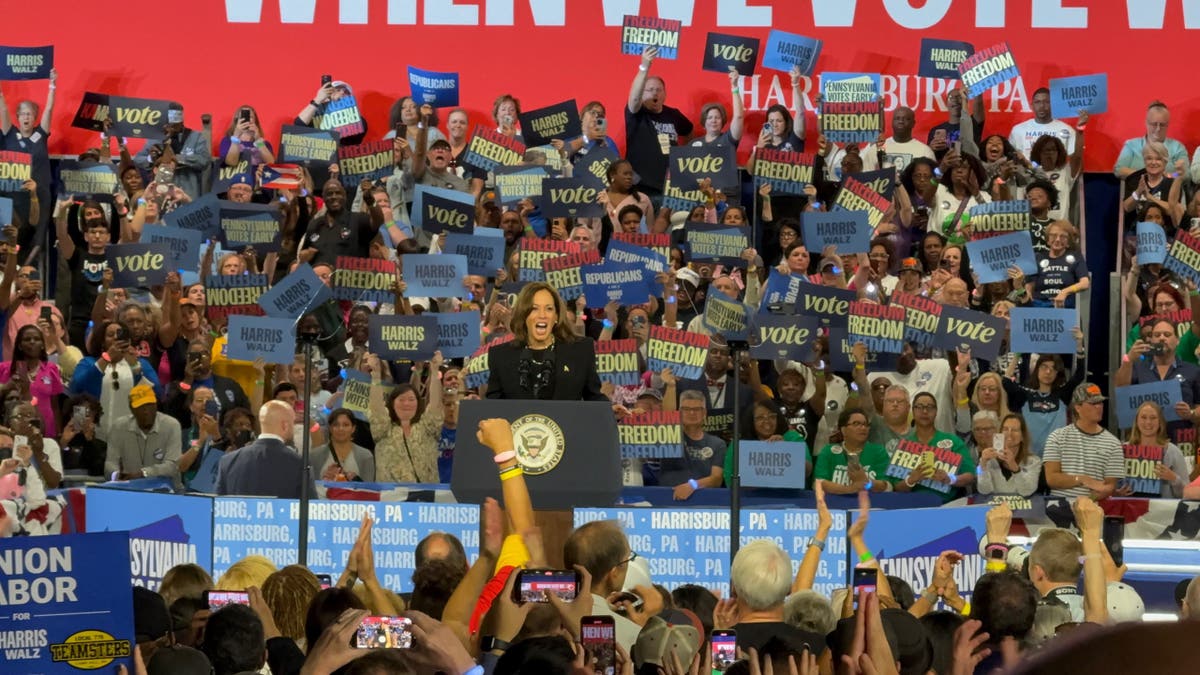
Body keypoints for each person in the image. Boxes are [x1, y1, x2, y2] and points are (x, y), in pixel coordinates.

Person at [487, 282, 605, 401]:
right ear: (523, 315)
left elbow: (594, 399)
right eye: (534, 309)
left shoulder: (581, 350)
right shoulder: (500, 356)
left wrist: (610, 411)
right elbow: (493, 409)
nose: (542, 315)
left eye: (549, 309)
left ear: (556, 316)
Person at [727, 540, 826, 657]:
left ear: (733, 588)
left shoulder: (716, 650)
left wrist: (721, 632)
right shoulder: (820, 649)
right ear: (789, 589)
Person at [625, 46, 693, 202]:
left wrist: (684, 154)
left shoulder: (673, 114)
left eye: (658, 90)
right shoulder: (636, 112)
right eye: (649, 90)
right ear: (642, 94)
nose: (654, 93)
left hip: (670, 188)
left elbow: (689, 130)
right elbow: (634, 98)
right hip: (641, 188)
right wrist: (644, 67)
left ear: (665, 94)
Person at [366, 352, 444, 483]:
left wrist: (435, 370)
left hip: (425, 496)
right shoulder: (384, 429)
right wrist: (376, 375)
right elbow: (376, 409)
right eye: (401, 399)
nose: (406, 403)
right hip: (391, 498)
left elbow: (436, 405)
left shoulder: (427, 427)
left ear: (418, 403)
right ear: (392, 404)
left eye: (411, 399)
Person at [216, 400, 315, 498]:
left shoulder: (228, 461)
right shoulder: (300, 464)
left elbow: (216, 506)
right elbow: (311, 509)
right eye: (293, 423)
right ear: (285, 425)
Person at [1043, 383, 1124, 499]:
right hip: (1059, 507)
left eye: (1100, 402)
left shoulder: (1113, 443)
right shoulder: (1057, 437)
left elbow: (1110, 485)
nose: (1099, 407)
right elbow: (1051, 479)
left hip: (1094, 508)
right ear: (1078, 407)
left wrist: (1088, 501)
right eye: (1093, 403)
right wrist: (1082, 479)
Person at [891, 392, 976, 501]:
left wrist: (950, 479)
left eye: (929, 407)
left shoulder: (953, 441)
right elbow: (895, 487)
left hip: (948, 506)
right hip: (912, 507)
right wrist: (911, 480)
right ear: (913, 411)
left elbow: (970, 476)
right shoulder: (903, 445)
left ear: (936, 412)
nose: (925, 411)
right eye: (920, 407)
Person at [105, 384, 183, 487]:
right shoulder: (119, 427)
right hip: (130, 489)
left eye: (150, 405)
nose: (146, 411)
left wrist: (143, 473)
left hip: (167, 491)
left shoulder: (171, 425)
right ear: (132, 409)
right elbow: (110, 463)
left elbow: (172, 466)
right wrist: (116, 475)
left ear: (156, 405)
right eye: (141, 407)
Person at [132, 102, 212, 200]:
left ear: (182, 122)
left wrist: (177, 158)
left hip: (187, 193)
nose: (171, 127)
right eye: (169, 123)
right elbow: (138, 160)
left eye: (175, 124)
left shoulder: (195, 137)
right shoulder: (155, 139)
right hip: (161, 194)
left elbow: (204, 160)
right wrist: (152, 159)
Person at [656, 391, 725, 500]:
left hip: (703, 502)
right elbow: (667, 414)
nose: (692, 413)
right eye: (686, 409)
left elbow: (716, 479)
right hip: (667, 498)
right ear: (679, 412)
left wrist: (692, 486)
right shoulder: (670, 436)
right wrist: (671, 386)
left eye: (697, 409)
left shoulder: (717, 443)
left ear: (704, 413)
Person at [1120, 401, 1190, 498]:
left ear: (1160, 422)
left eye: (1153, 418)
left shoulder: (1173, 451)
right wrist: (1118, 493)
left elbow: (1188, 494)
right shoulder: (1123, 450)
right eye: (1143, 417)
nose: (1148, 422)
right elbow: (1112, 487)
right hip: (1130, 509)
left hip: (1162, 511)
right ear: (1136, 421)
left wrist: (1173, 478)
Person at [813, 409, 890, 494]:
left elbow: (887, 485)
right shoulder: (828, 451)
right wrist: (849, 489)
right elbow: (819, 483)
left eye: (865, 424)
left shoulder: (878, 451)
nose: (863, 428)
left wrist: (867, 483)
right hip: (834, 504)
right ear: (843, 430)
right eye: (856, 424)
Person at [1114, 100, 1188, 179]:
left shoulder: (1177, 147)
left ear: (1167, 125)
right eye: (1154, 124)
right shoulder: (1131, 145)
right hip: (1138, 190)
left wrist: (1169, 176)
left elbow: (1186, 174)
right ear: (1146, 123)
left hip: (1170, 190)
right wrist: (1148, 176)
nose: (1158, 129)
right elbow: (1119, 170)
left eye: (1162, 125)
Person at [977, 414, 1042, 497]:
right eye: (1005, 429)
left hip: (1023, 508)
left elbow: (1026, 491)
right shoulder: (989, 459)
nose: (1009, 433)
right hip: (994, 507)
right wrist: (982, 465)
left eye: (1015, 430)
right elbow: (983, 490)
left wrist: (1015, 467)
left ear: (1022, 436)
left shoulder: (1033, 461)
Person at [1028, 220, 1090, 308]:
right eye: (1053, 235)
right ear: (1048, 240)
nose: (1057, 239)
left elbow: (1085, 283)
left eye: (1063, 236)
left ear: (1068, 242)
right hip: (1039, 307)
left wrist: (1065, 292)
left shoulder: (1076, 257)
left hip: (1065, 307)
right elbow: (1029, 287)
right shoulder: (1038, 257)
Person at [1007, 87, 1077, 159]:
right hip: (1027, 170)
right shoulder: (1018, 130)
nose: (1042, 106)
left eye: (1046, 102)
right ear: (1032, 106)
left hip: (1057, 170)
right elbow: (1010, 157)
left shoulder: (1066, 130)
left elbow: (1075, 159)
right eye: (1037, 102)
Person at [311, 408, 376, 482]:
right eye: (336, 425)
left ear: (353, 428)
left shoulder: (365, 455)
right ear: (330, 428)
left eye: (346, 425)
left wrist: (354, 481)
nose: (341, 428)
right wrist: (325, 480)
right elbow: (311, 487)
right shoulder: (315, 455)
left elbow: (369, 489)